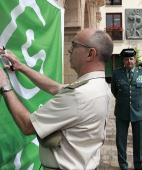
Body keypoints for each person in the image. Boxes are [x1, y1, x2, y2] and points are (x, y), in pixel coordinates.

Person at [0, 28, 114, 170]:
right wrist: (22, 67)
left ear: (91, 54)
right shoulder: (99, 86)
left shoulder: (79, 95)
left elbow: (27, 125)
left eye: (74, 45)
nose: (69, 50)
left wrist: (4, 84)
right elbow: (55, 88)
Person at [111, 48, 142, 170]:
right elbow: (114, 90)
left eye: (131, 58)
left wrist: (138, 102)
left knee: (139, 140)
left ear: (135, 59)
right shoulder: (116, 73)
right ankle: (123, 165)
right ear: (123, 61)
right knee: (121, 140)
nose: (129, 61)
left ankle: (139, 164)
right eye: (126, 59)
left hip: (139, 112)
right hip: (122, 111)